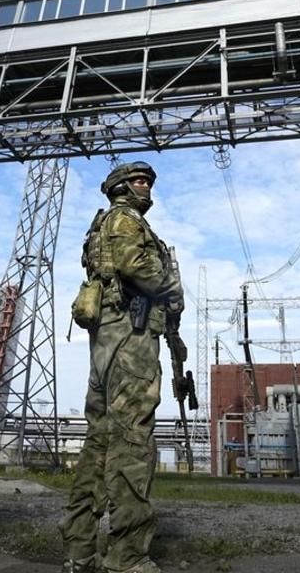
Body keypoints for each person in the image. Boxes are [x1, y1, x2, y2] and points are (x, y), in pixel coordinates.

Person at [60, 162, 184, 573]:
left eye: (149, 179)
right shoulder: (126, 219)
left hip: (108, 340)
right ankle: (127, 559)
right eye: (138, 180)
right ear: (119, 187)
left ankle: (80, 553)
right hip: (130, 340)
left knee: (100, 441)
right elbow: (138, 269)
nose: (145, 185)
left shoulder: (105, 223)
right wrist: (172, 284)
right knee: (132, 440)